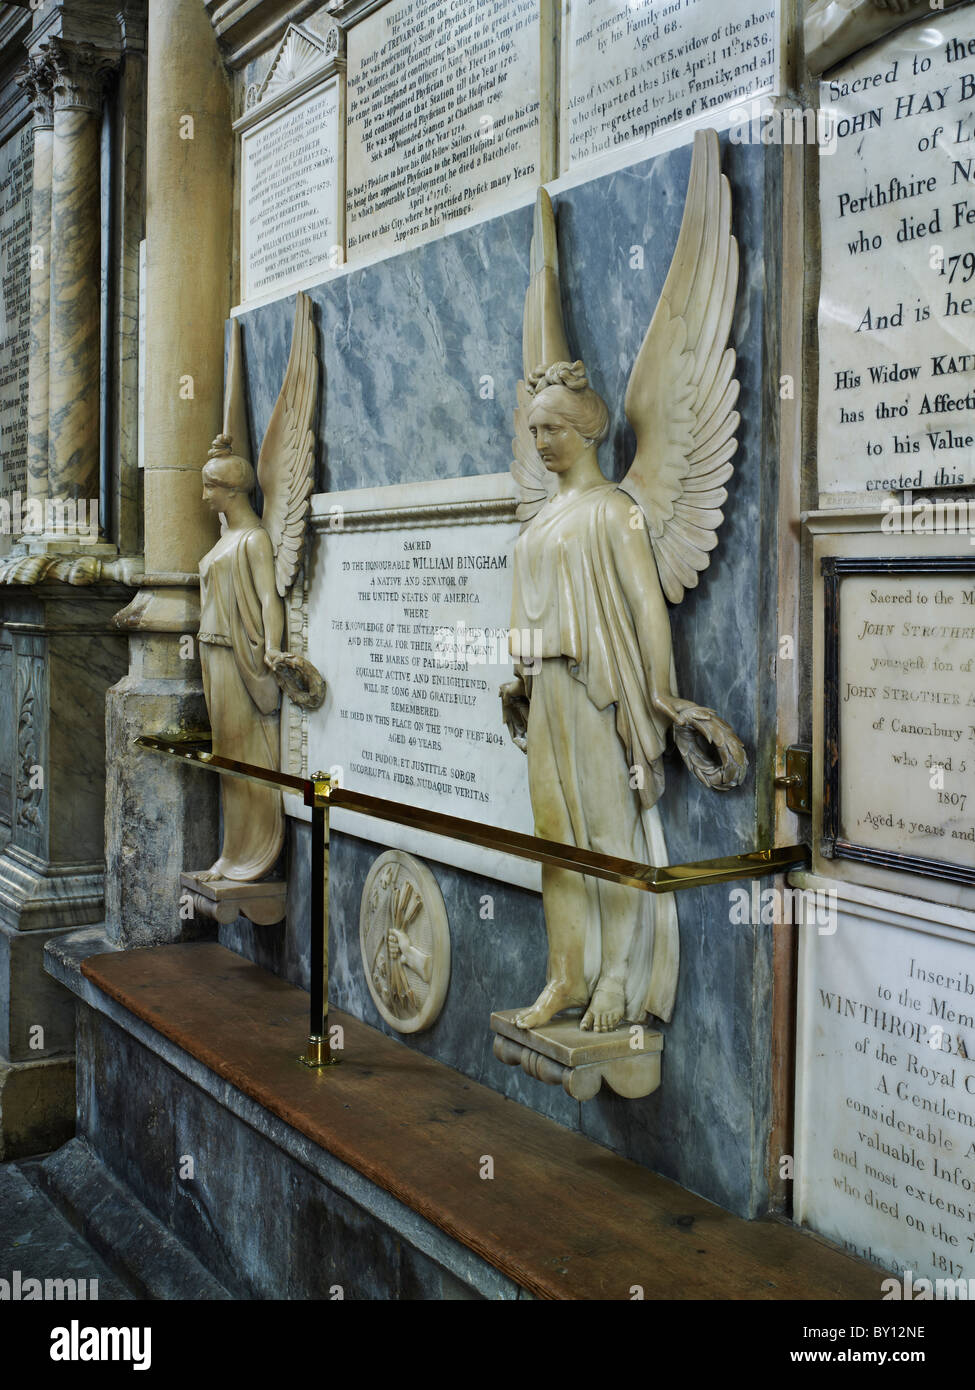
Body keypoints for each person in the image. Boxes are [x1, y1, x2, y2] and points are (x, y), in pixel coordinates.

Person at [502, 362, 700, 1034]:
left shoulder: (615, 511)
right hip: (547, 690)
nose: (541, 442)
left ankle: (615, 974)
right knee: (555, 837)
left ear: (586, 432)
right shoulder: (541, 517)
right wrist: (521, 684)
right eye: (533, 430)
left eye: (553, 428)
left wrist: (660, 693)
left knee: (607, 834)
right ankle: (565, 974)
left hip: (599, 691)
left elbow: (647, 607)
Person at [196, 436, 287, 882]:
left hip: (239, 659)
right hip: (212, 653)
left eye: (209, 487)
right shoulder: (225, 536)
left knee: (239, 755)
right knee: (224, 754)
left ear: (230, 490)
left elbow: (270, 600)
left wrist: (272, 647)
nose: (204, 495)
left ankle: (246, 853)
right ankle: (231, 851)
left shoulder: (252, 540)